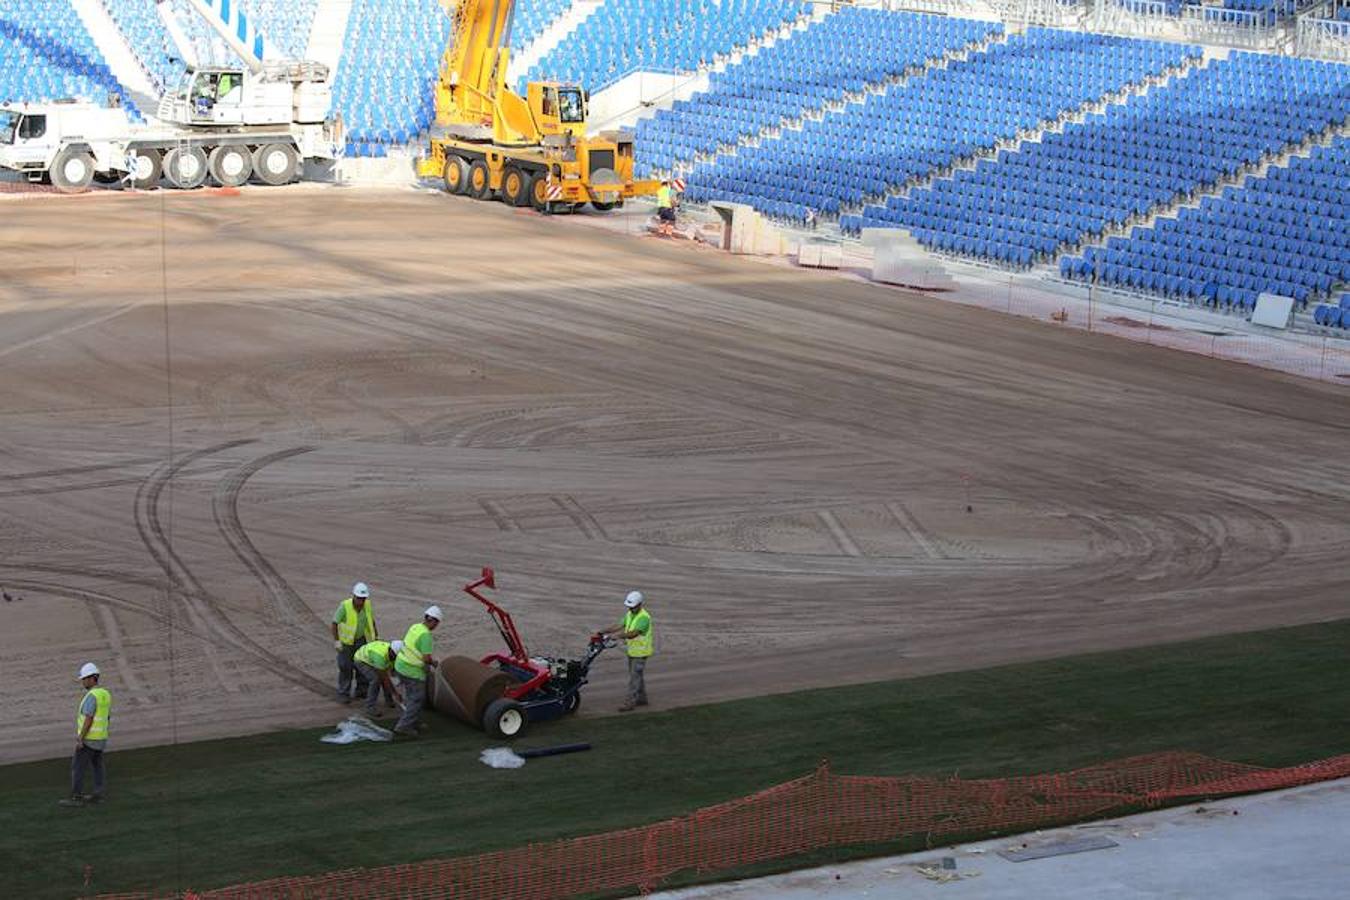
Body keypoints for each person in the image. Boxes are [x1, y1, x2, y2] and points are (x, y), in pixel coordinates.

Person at [62, 662, 111, 807]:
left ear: (91, 678)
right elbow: (107, 717)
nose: (83, 682)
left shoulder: (91, 696)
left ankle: (76, 797)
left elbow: (88, 718)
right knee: (97, 766)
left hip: (89, 739)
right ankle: (98, 794)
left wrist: (80, 738)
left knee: (77, 767)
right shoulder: (105, 694)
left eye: (84, 679)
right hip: (101, 739)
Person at [600, 591, 653, 712]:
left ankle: (630, 702)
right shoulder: (630, 614)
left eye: (632, 607)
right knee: (637, 675)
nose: (630, 608)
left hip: (641, 653)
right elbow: (619, 625)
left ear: (639, 604)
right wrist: (603, 631)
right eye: (629, 606)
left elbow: (634, 633)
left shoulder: (644, 617)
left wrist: (618, 636)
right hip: (632, 651)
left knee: (634, 677)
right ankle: (642, 698)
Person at [393, 606, 442, 737]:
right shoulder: (425, 636)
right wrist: (434, 663)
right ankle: (404, 726)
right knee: (417, 699)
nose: (436, 626)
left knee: (410, 696)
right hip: (412, 671)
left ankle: (413, 721)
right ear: (434, 621)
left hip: (400, 666)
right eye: (437, 623)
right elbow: (426, 658)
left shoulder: (415, 627)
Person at [332, 582, 378, 704]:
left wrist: (375, 636)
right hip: (346, 643)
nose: (361, 602)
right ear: (354, 596)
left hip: (361, 640)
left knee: (361, 665)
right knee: (345, 667)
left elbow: (371, 621)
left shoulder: (367, 605)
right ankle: (344, 693)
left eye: (363, 599)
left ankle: (362, 690)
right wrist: (337, 641)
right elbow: (334, 623)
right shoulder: (345, 606)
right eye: (359, 599)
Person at [352, 639, 404, 719]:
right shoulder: (380, 656)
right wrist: (395, 693)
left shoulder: (393, 654)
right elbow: (385, 678)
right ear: (392, 652)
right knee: (375, 680)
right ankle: (369, 707)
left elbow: (390, 672)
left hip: (373, 659)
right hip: (361, 660)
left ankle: (389, 700)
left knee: (385, 677)